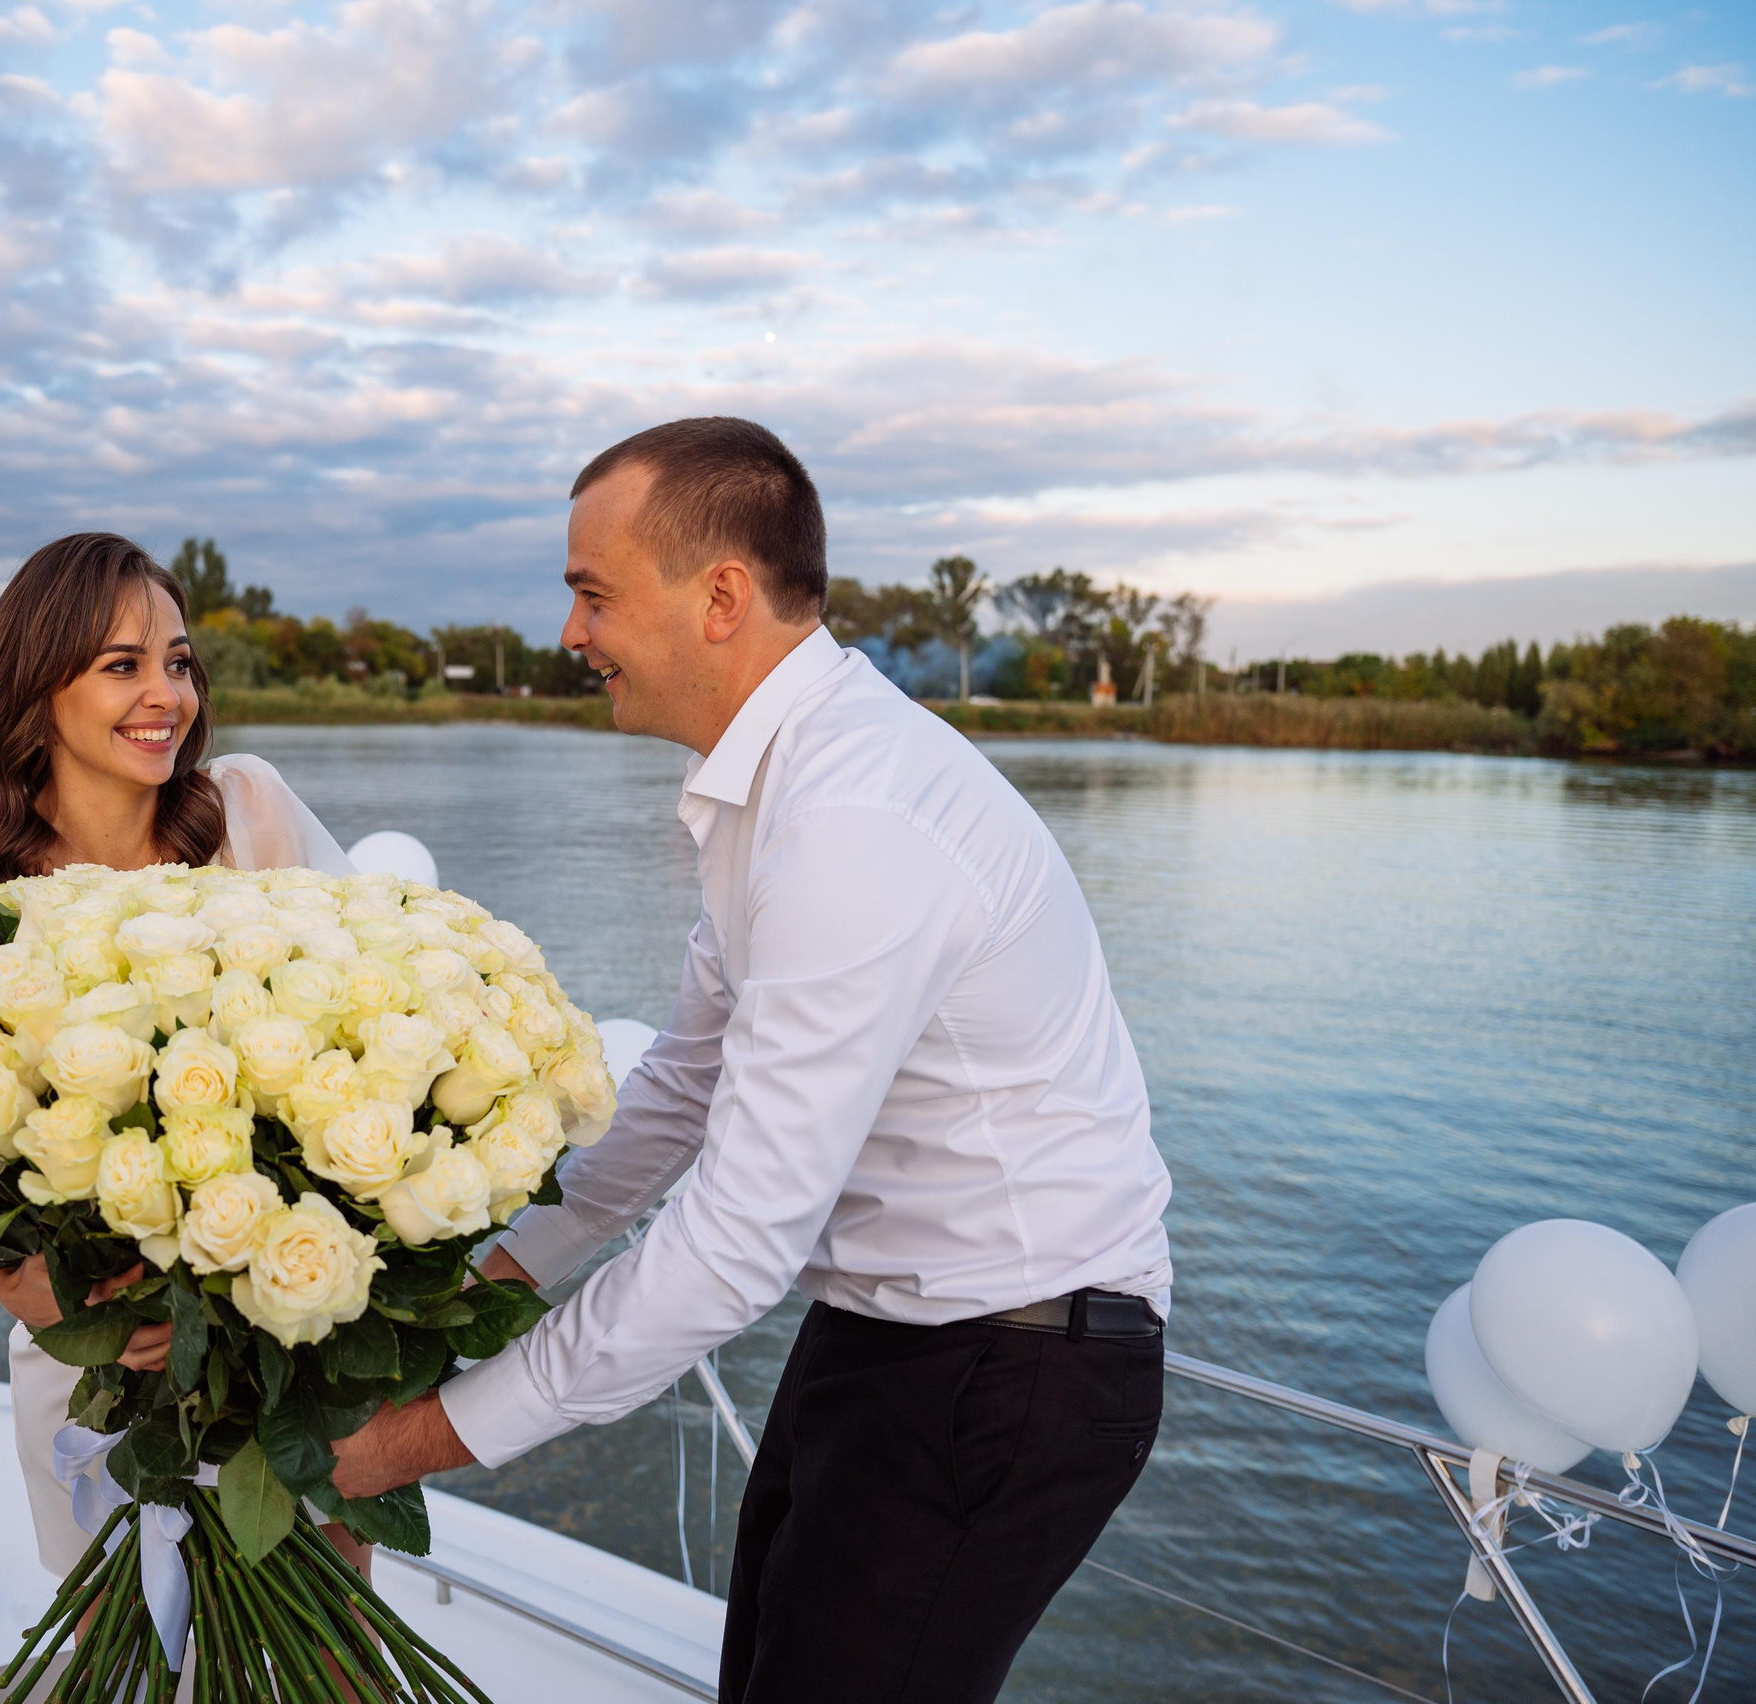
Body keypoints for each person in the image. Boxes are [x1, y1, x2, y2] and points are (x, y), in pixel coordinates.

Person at [325, 418, 1175, 1703]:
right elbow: (680, 1091)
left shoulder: (853, 820)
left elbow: (734, 1241)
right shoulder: (771, 788)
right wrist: (463, 1295)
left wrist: (404, 1444)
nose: (571, 634)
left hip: (1014, 1360)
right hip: (884, 1326)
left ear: (719, 598)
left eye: (592, 594)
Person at [0, 530, 360, 1578]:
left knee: (332, 1636)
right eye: (122, 665)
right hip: (91, 1358)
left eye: (178, 662)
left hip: (290, 1333)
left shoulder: (248, 812)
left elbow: (364, 1024)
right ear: (36, 686)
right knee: (118, 1632)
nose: (165, 696)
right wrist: (28, 1288)